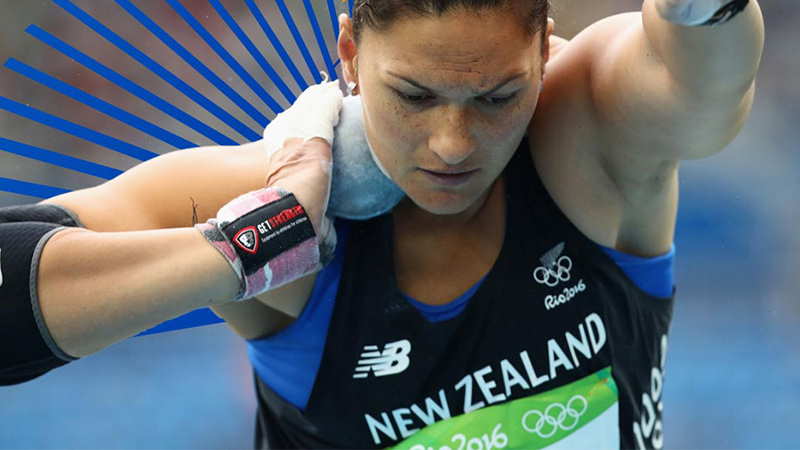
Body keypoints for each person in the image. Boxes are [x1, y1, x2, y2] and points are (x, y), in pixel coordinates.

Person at [2, 0, 765, 448]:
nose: (452, 145)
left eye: (498, 98)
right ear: (350, 56)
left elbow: (697, 81)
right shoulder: (264, 190)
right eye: (413, 95)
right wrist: (251, 248)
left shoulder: (588, 135)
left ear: (545, 50)